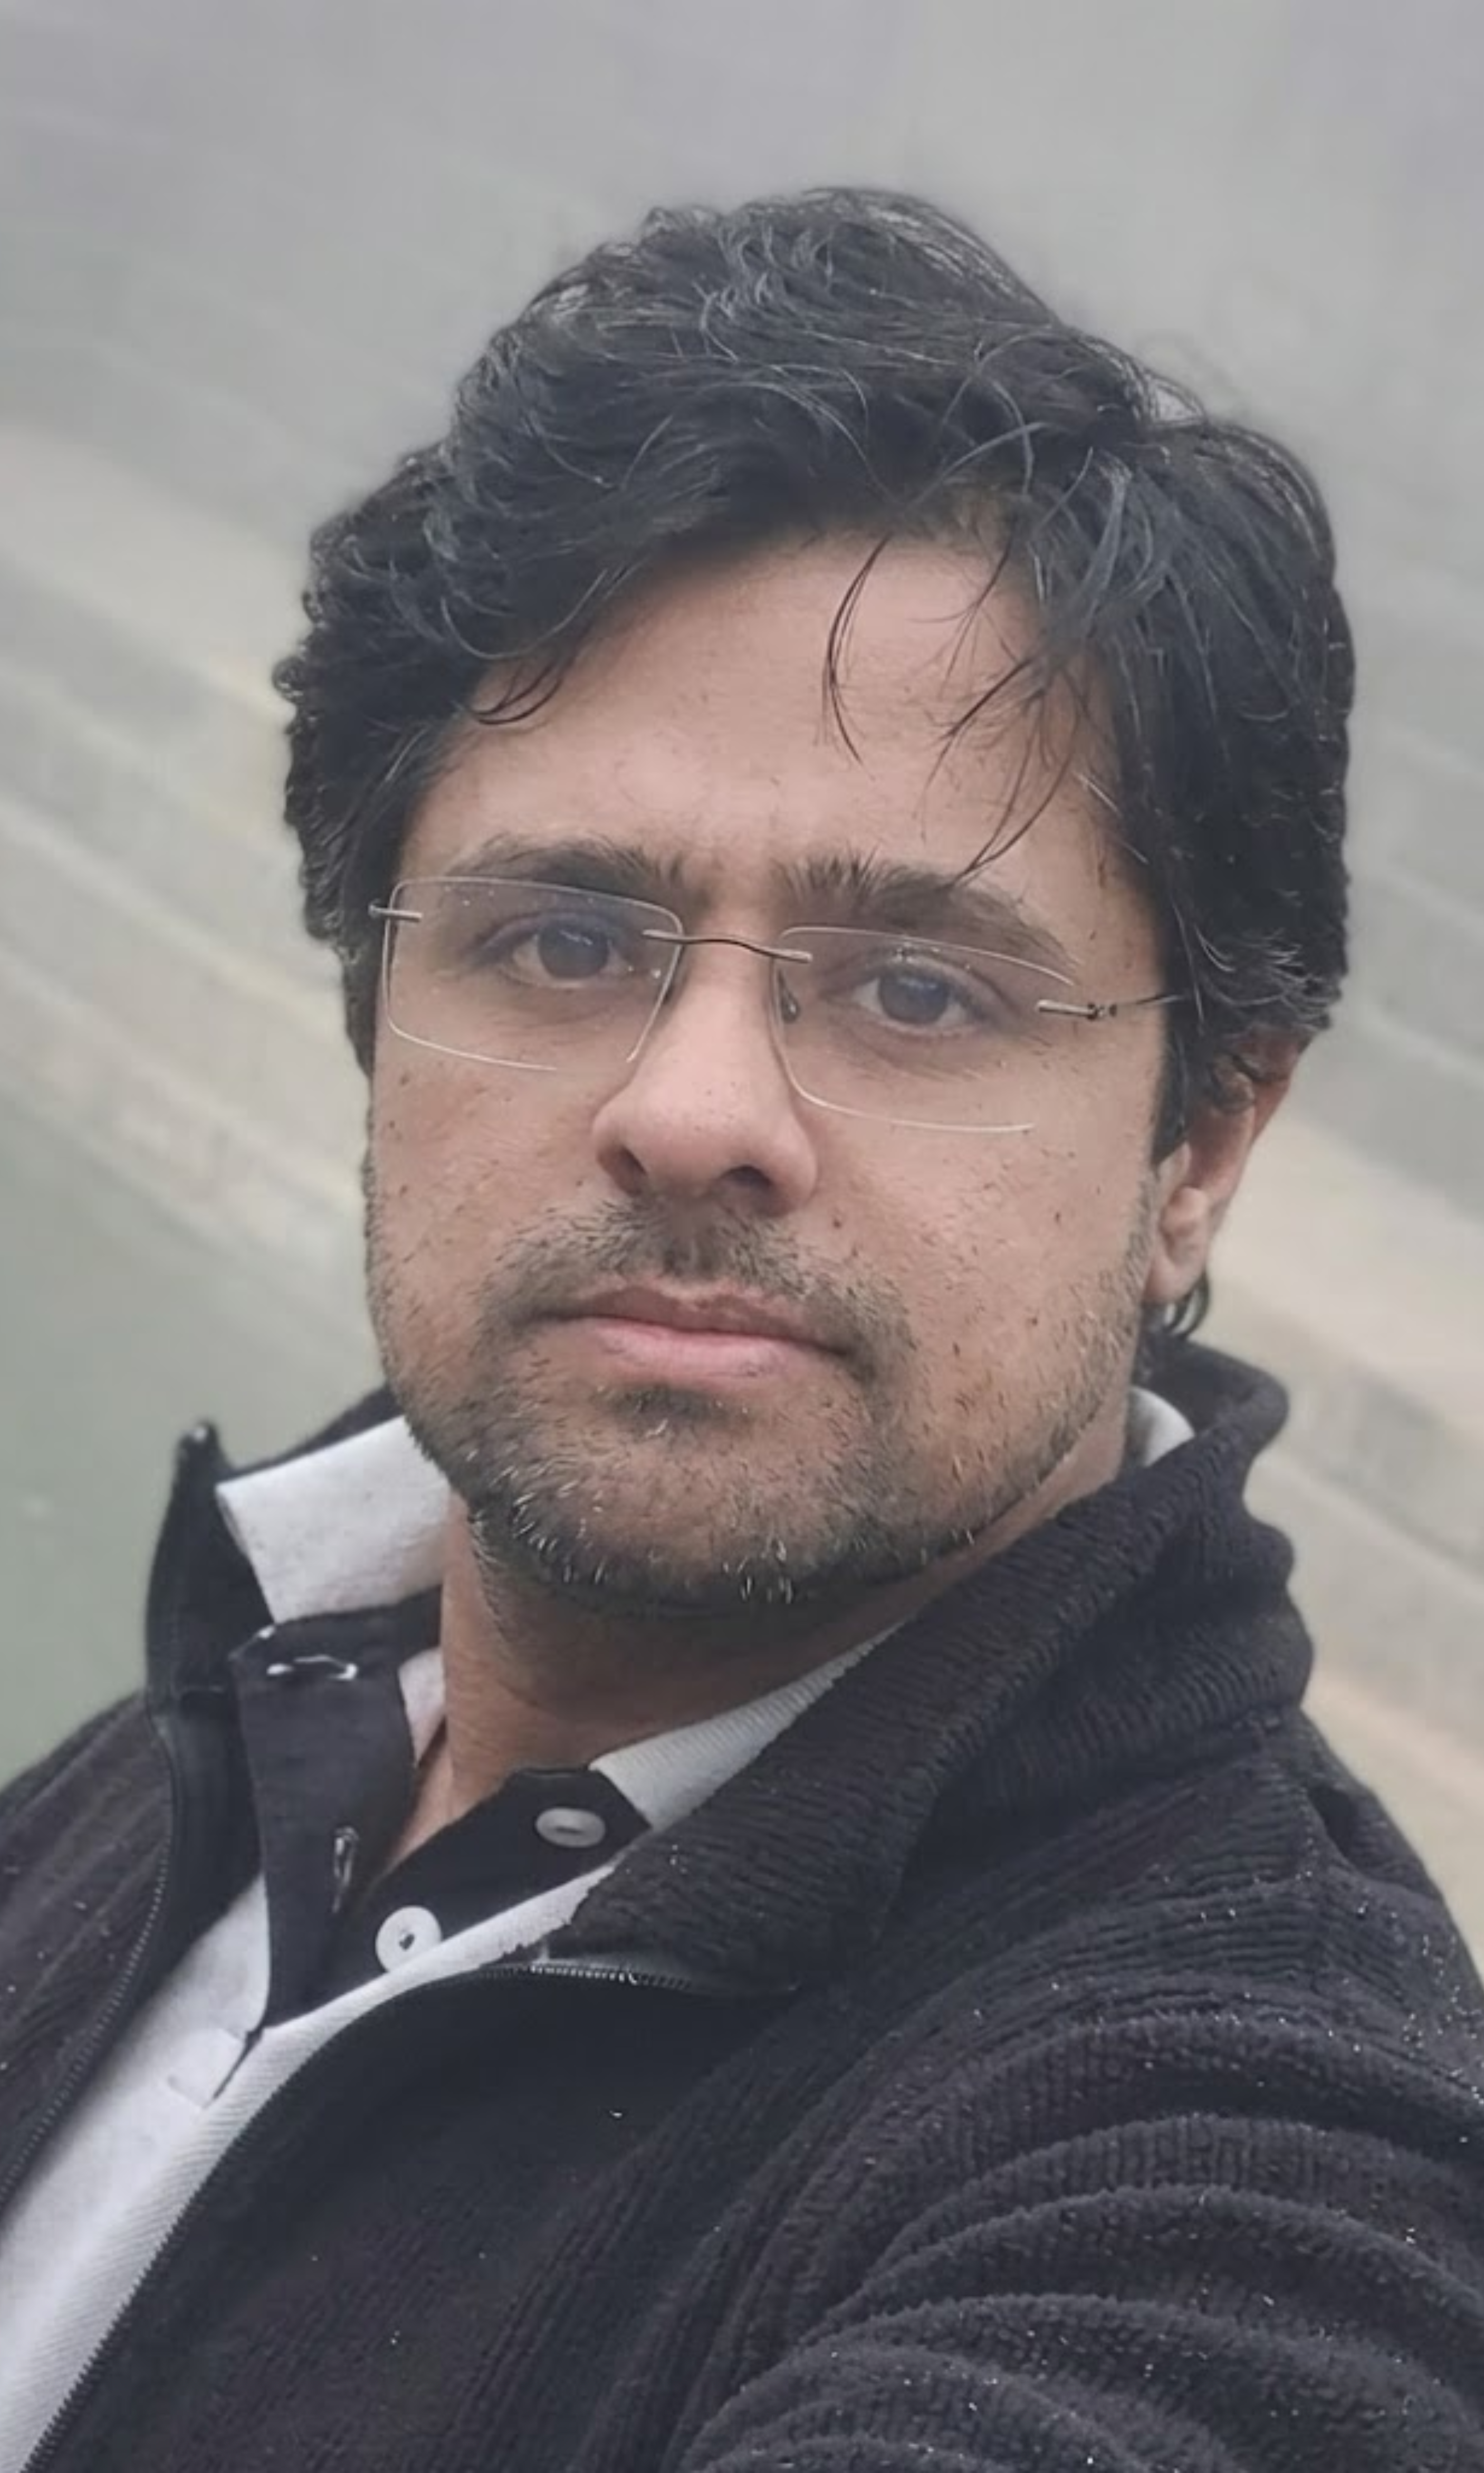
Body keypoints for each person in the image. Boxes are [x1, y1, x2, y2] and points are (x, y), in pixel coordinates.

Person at [1, 186, 1480, 2473]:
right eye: (564, 940)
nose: (692, 1113)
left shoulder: (1248, 2165)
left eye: (921, 991)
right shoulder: (274, 1694)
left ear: (1200, 1142)